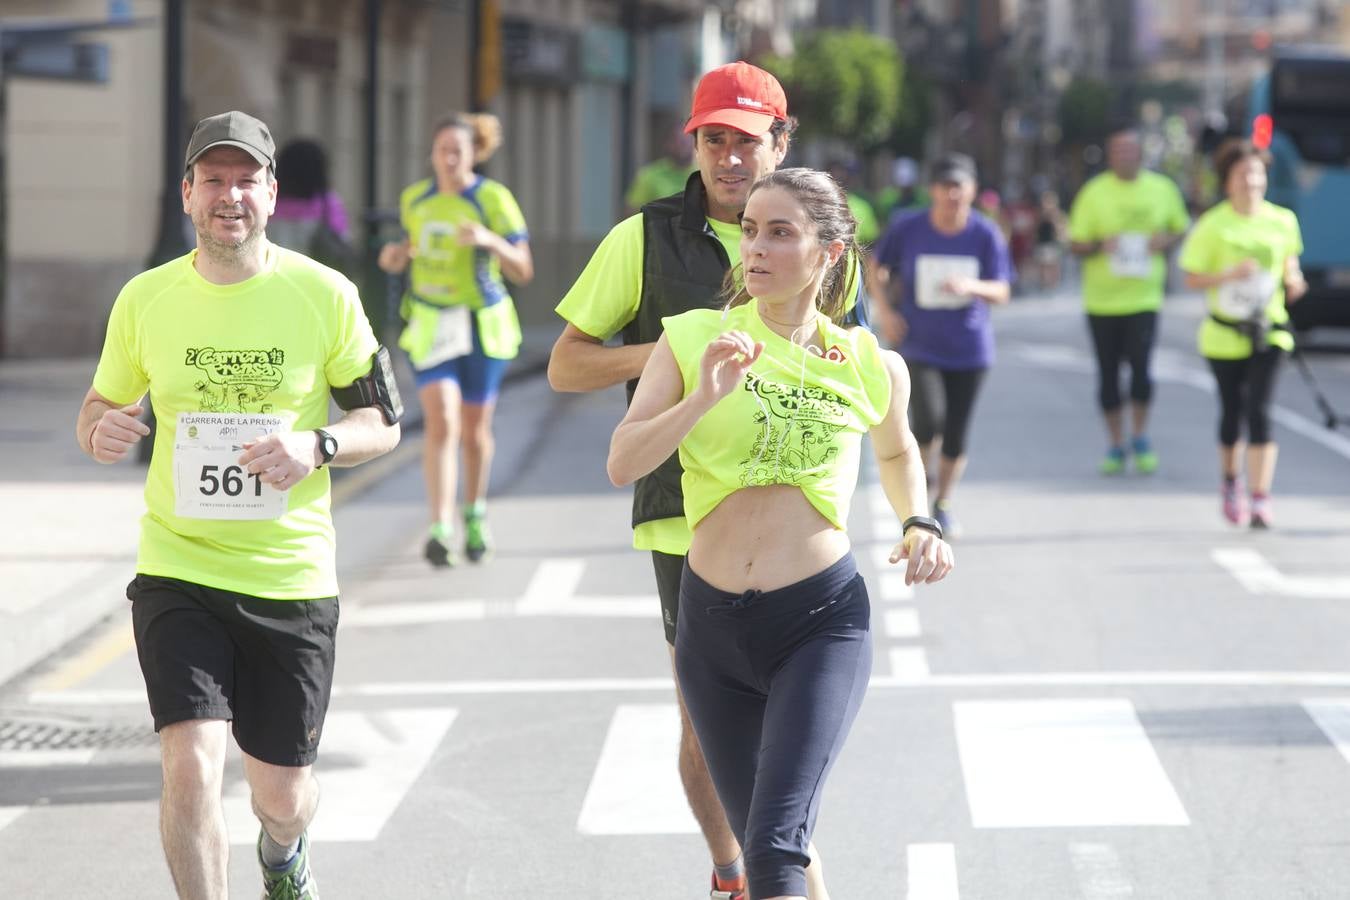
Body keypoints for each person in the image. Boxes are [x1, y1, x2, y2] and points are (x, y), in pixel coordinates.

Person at [549, 61, 867, 900]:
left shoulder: (821, 238)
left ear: (781, 143)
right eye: (713, 140)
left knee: (785, 762)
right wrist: (679, 355)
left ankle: (770, 864)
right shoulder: (643, 237)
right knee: (707, 727)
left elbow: (857, 368)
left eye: (746, 141)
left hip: (797, 524)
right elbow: (566, 364)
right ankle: (737, 872)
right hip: (679, 509)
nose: (728, 158)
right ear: (693, 144)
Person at [75, 110, 402, 900]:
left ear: (272, 193)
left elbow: (383, 422)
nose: (231, 195)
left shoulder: (324, 295)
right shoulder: (146, 299)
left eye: (246, 180)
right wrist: (100, 431)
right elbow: (96, 409)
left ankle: (283, 853)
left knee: (281, 797)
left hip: (289, 576)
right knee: (190, 766)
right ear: (187, 193)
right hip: (178, 568)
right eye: (214, 180)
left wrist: (318, 445)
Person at [608, 167, 954, 900]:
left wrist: (918, 520)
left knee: (773, 850)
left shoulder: (868, 362)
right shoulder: (692, 338)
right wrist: (701, 399)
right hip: (711, 631)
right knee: (774, 846)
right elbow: (623, 461)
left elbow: (897, 451)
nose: (756, 248)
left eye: (779, 232)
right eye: (750, 231)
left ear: (828, 253)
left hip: (818, 624)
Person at [378, 112, 533, 566]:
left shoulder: (492, 199)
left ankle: (475, 513)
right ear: (432, 153)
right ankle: (440, 526)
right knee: (442, 419)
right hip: (432, 324)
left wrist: (489, 241)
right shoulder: (416, 200)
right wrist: (395, 256)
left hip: (482, 325)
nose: (448, 160)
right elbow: (406, 250)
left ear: (473, 155)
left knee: (474, 429)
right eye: (442, 150)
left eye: (458, 151)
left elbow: (523, 269)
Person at [867, 153, 1013, 539]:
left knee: (956, 430)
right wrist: (885, 312)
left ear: (972, 191)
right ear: (932, 190)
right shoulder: (908, 226)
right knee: (928, 421)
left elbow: (1002, 290)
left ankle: (943, 503)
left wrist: (971, 286)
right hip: (919, 343)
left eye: (959, 187)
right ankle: (919, 487)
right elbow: (876, 266)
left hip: (969, 347)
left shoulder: (985, 234)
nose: (952, 195)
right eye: (945, 187)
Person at [1178, 139, 1306, 528]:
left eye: (1257, 173)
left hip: (1269, 331)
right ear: (1227, 181)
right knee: (1232, 411)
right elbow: (1191, 278)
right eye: (1242, 174)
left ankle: (1261, 496)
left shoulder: (1283, 220)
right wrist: (1229, 275)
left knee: (1260, 411)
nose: (1251, 181)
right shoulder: (1212, 225)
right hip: (1224, 333)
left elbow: (1290, 265)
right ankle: (1231, 481)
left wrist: (1294, 281)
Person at [1068, 122, 1190, 474]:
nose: (1125, 155)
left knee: (1141, 372)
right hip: (1102, 301)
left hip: (1144, 298)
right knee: (1108, 376)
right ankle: (1115, 443)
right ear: (1110, 155)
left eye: (1130, 149)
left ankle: (1139, 435)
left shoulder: (1162, 189)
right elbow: (1075, 243)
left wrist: (1164, 242)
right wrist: (1098, 245)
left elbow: (1180, 228)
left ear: (1140, 153)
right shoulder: (1094, 192)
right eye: (1118, 150)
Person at [626, 123, 696, 212]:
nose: (683, 145)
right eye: (677, 140)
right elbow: (631, 211)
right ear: (667, 143)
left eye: (687, 140)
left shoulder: (703, 174)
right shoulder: (650, 175)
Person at [1033, 189, 1067, 292]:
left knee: (1053, 264)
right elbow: (1035, 229)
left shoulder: (1057, 214)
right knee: (1043, 265)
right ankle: (1044, 285)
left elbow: (1062, 228)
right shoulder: (1040, 214)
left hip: (1053, 243)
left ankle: (1054, 285)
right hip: (1042, 243)